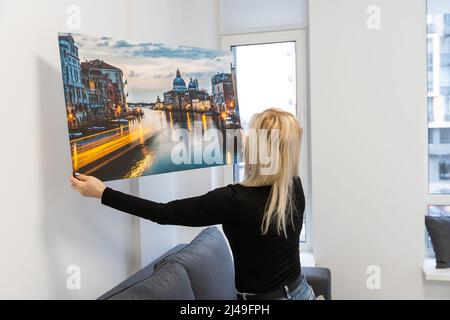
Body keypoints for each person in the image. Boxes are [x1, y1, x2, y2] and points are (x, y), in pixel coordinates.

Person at [70, 108, 315, 300]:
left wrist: (103, 193)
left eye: (250, 135)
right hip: (302, 290)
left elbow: (164, 213)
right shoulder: (293, 187)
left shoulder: (233, 200)